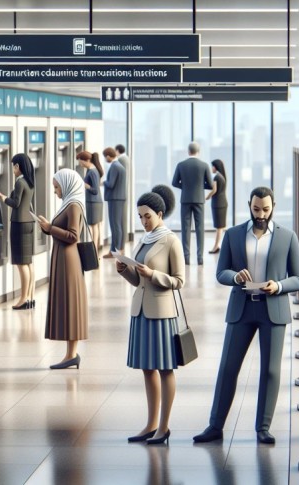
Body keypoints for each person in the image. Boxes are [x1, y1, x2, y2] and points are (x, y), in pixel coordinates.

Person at [193, 187, 299, 445]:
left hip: (273, 310)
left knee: (270, 371)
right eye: (256, 209)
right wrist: (235, 277)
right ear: (249, 205)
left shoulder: (287, 237)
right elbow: (221, 272)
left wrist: (278, 285)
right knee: (228, 368)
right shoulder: (233, 235)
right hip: (241, 309)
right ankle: (215, 426)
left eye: (266, 209)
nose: (261, 215)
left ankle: (263, 428)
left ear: (273, 206)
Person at [115, 185, 185, 445]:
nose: (143, 221)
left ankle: (163, 427)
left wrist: (153, 274)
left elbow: (179, 281)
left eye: (147, 216)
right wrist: (125, 270)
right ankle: (151, 424)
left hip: (162, 314)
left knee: (165, 369)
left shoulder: (171, 241)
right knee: (147, 368)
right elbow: (138, 281)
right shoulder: (144, 240)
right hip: (141, 311)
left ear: (160, 214)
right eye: (140, 216)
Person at [36, 169, 88, 369]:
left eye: (57, 187)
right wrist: (47, 227)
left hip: (68, 259)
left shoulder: (74, 205)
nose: (55, 191)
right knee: (66, 304)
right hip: (63, 257)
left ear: (67, 185)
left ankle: (71, 355)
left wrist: (50, 228)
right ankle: (70, 355)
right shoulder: (68, 204)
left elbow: (73, 236)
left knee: (70, 304)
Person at [0, 153, 36, 309]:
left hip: (19, 223)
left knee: (21, 263)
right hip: (29, 222)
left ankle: (23, 299)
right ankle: (30, 297)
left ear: (18, 166)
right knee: (28, 262)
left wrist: (3, 198)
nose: (12, 170)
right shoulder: (30, 182)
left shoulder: (20, 182)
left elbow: (16, 203)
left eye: (13, 166)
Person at [171, 142, 213, 265]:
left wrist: (184, 186)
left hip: (185, 199)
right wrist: (200, 186)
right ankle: (200, 258)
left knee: (185, 229)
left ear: (188, 151)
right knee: (200, 229)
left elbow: (174, 182)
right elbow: (211, 185)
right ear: (198, 151)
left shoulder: (181, 165)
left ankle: (186, 258)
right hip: (199, 200)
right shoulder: (204, 165)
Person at [102, 147, 127, 258]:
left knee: (114, 225)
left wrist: (103, 182)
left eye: (105, 157)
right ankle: (118, 249)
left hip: (114, 198)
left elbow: (111, 184)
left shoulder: (114, 166)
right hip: (119, 198)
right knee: (118, 225)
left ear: (108, 156)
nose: (105, 159)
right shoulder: (120, 166)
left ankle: (114, 251)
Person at [77, 151, 104, 251]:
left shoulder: (92, 172)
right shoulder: (92, 170)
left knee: (93, 227)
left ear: (87, 160)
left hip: (93, 203)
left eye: (81, 161)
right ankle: (95, 249)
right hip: (95, 202)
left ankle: (94, 250)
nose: (80, 163)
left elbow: (95, 190)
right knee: (96, 227)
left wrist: (85, 186)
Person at [206, 159, 228, 254]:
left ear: (216, 167)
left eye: (212, 166)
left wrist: (207, 197)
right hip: (222, 203)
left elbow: (214, 190)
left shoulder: (216, 177)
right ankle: (217, 245)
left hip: (218, 204)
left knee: (219, 227)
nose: (211, 168)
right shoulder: (222, 177)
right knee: (220, 227)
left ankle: (215, 247)